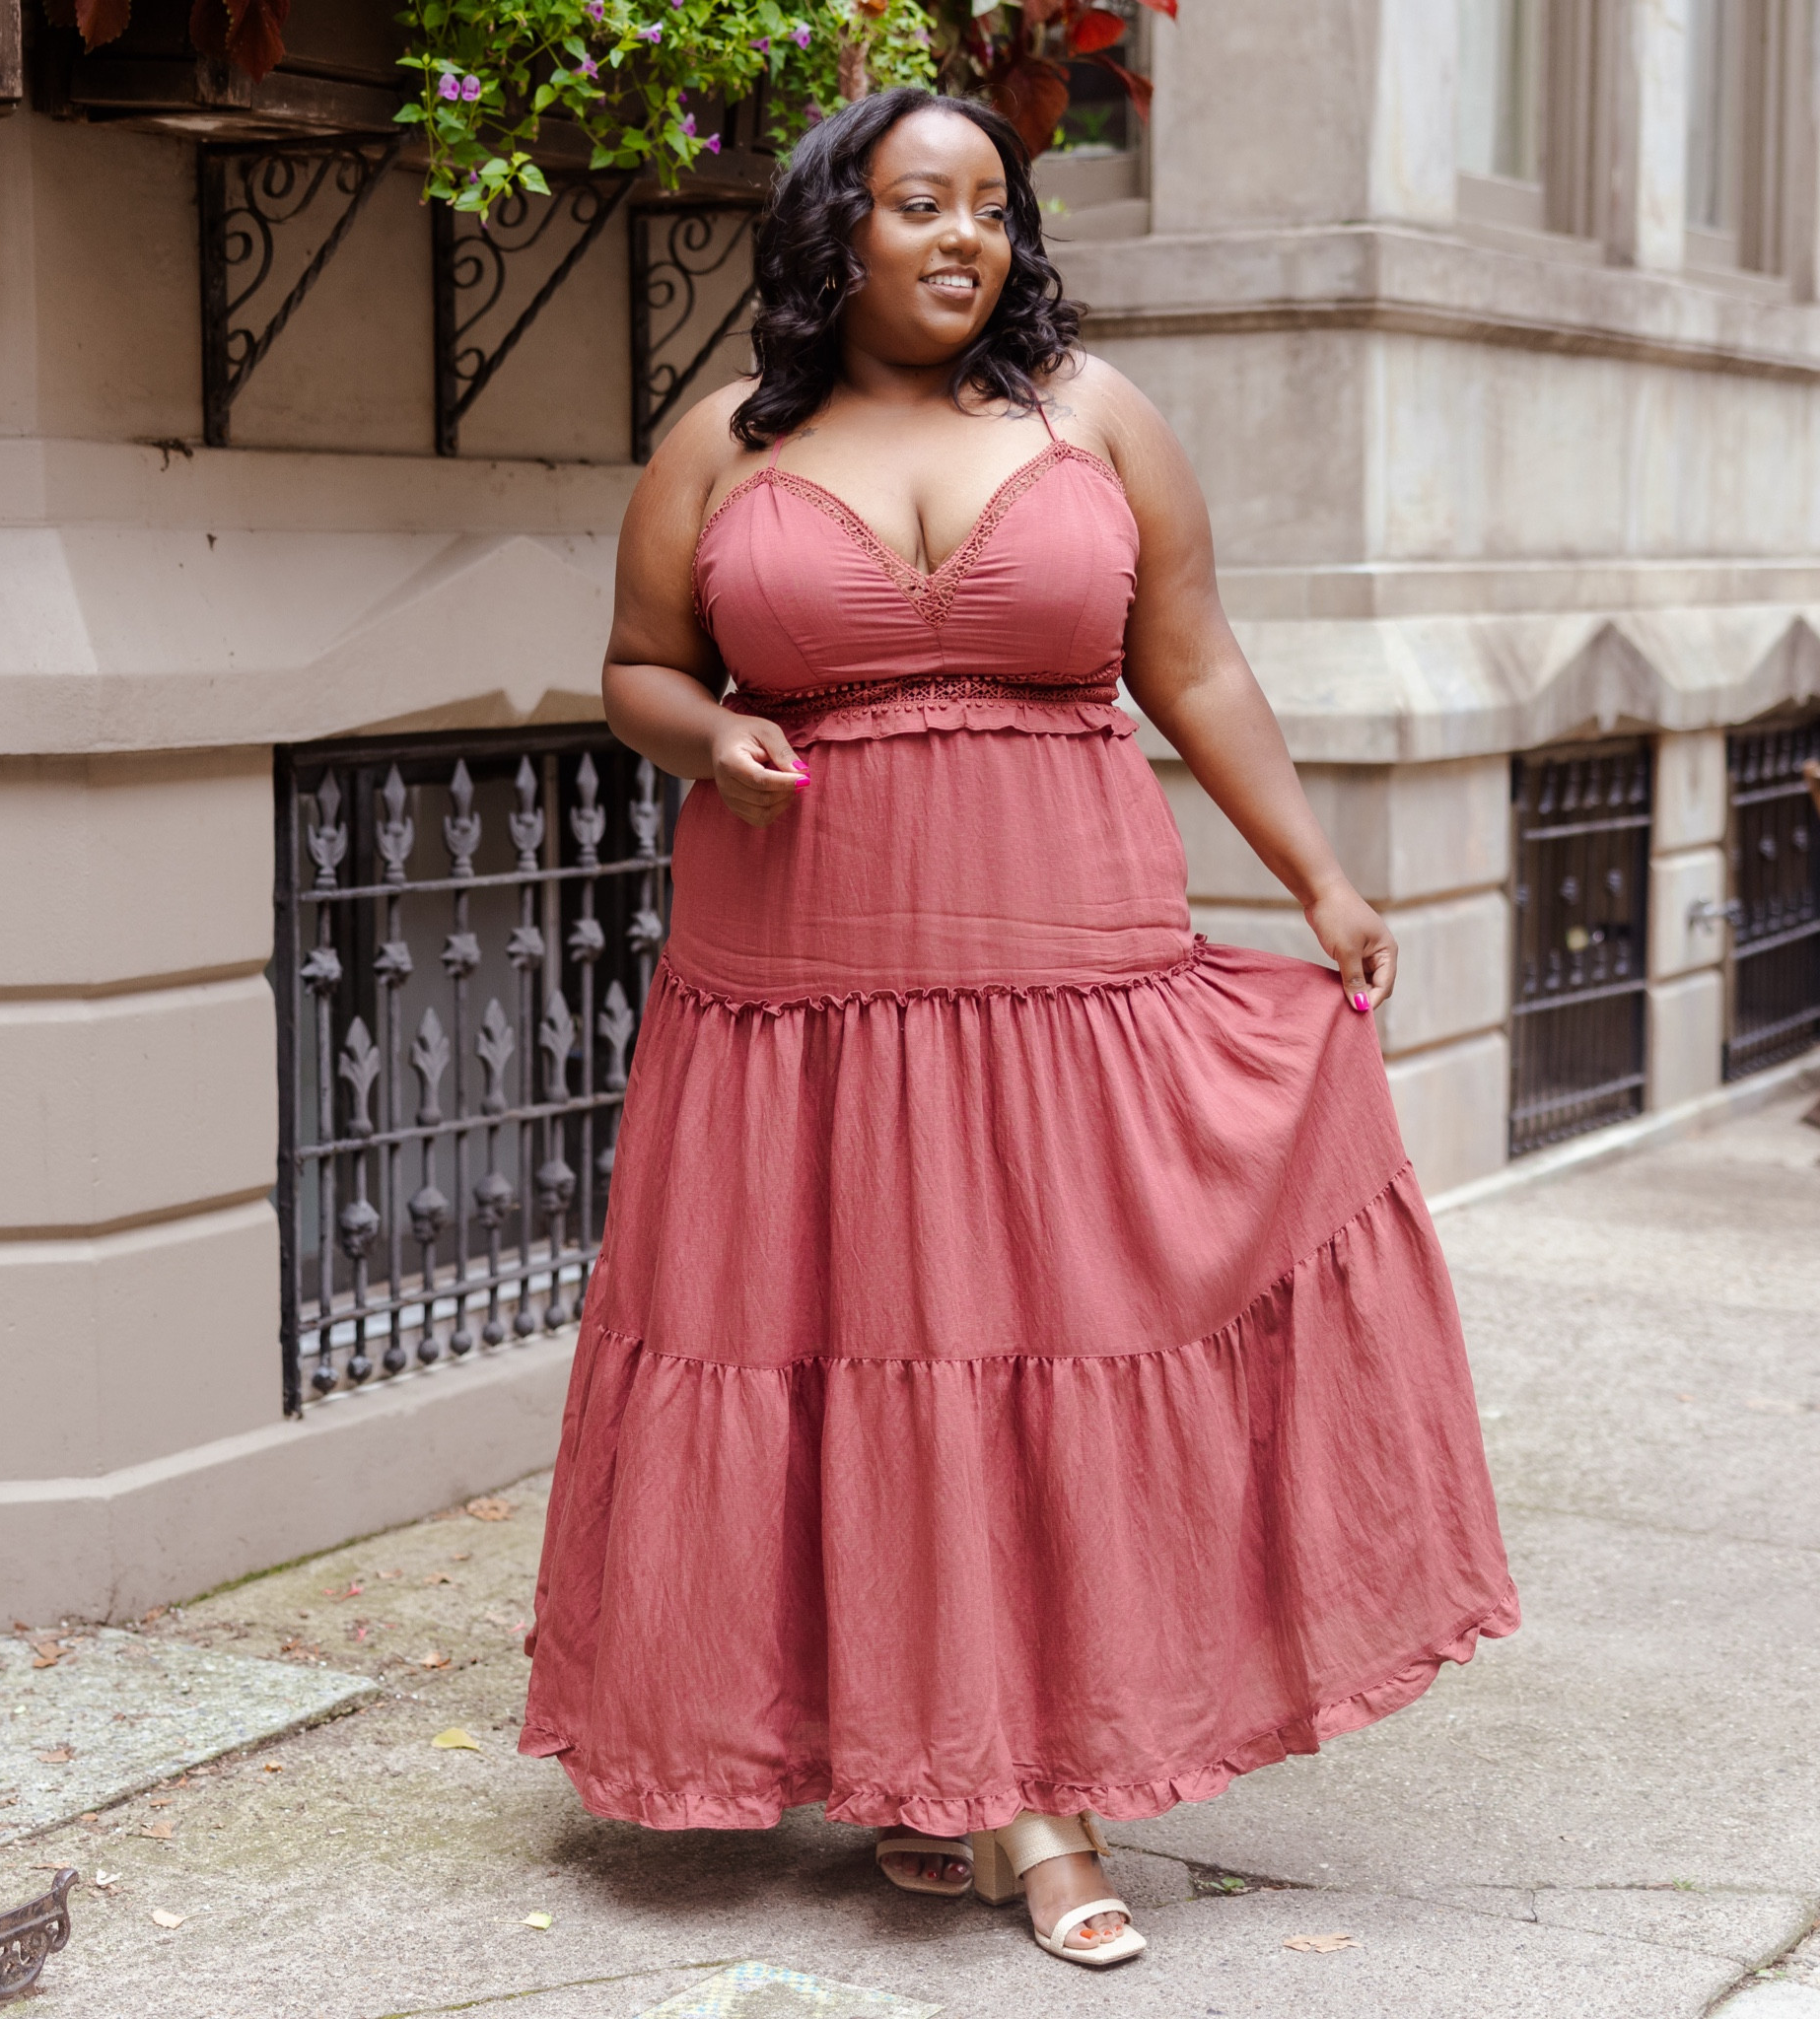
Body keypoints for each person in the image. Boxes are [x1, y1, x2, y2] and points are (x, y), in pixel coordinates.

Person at [522, 86, 1517, 1971]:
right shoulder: (725, 441)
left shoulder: (1097, 419)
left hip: (1061, 961)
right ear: (841, 232)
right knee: (861, 1347)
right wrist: (702, 732)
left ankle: (1016, 1777)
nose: (964, 236)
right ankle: (965, 1783)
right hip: (804, 983)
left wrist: (1314, 876)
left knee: (1038, 1343)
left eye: (991, 204)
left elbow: (1195, 659)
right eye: (920, 203)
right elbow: (638, 659)